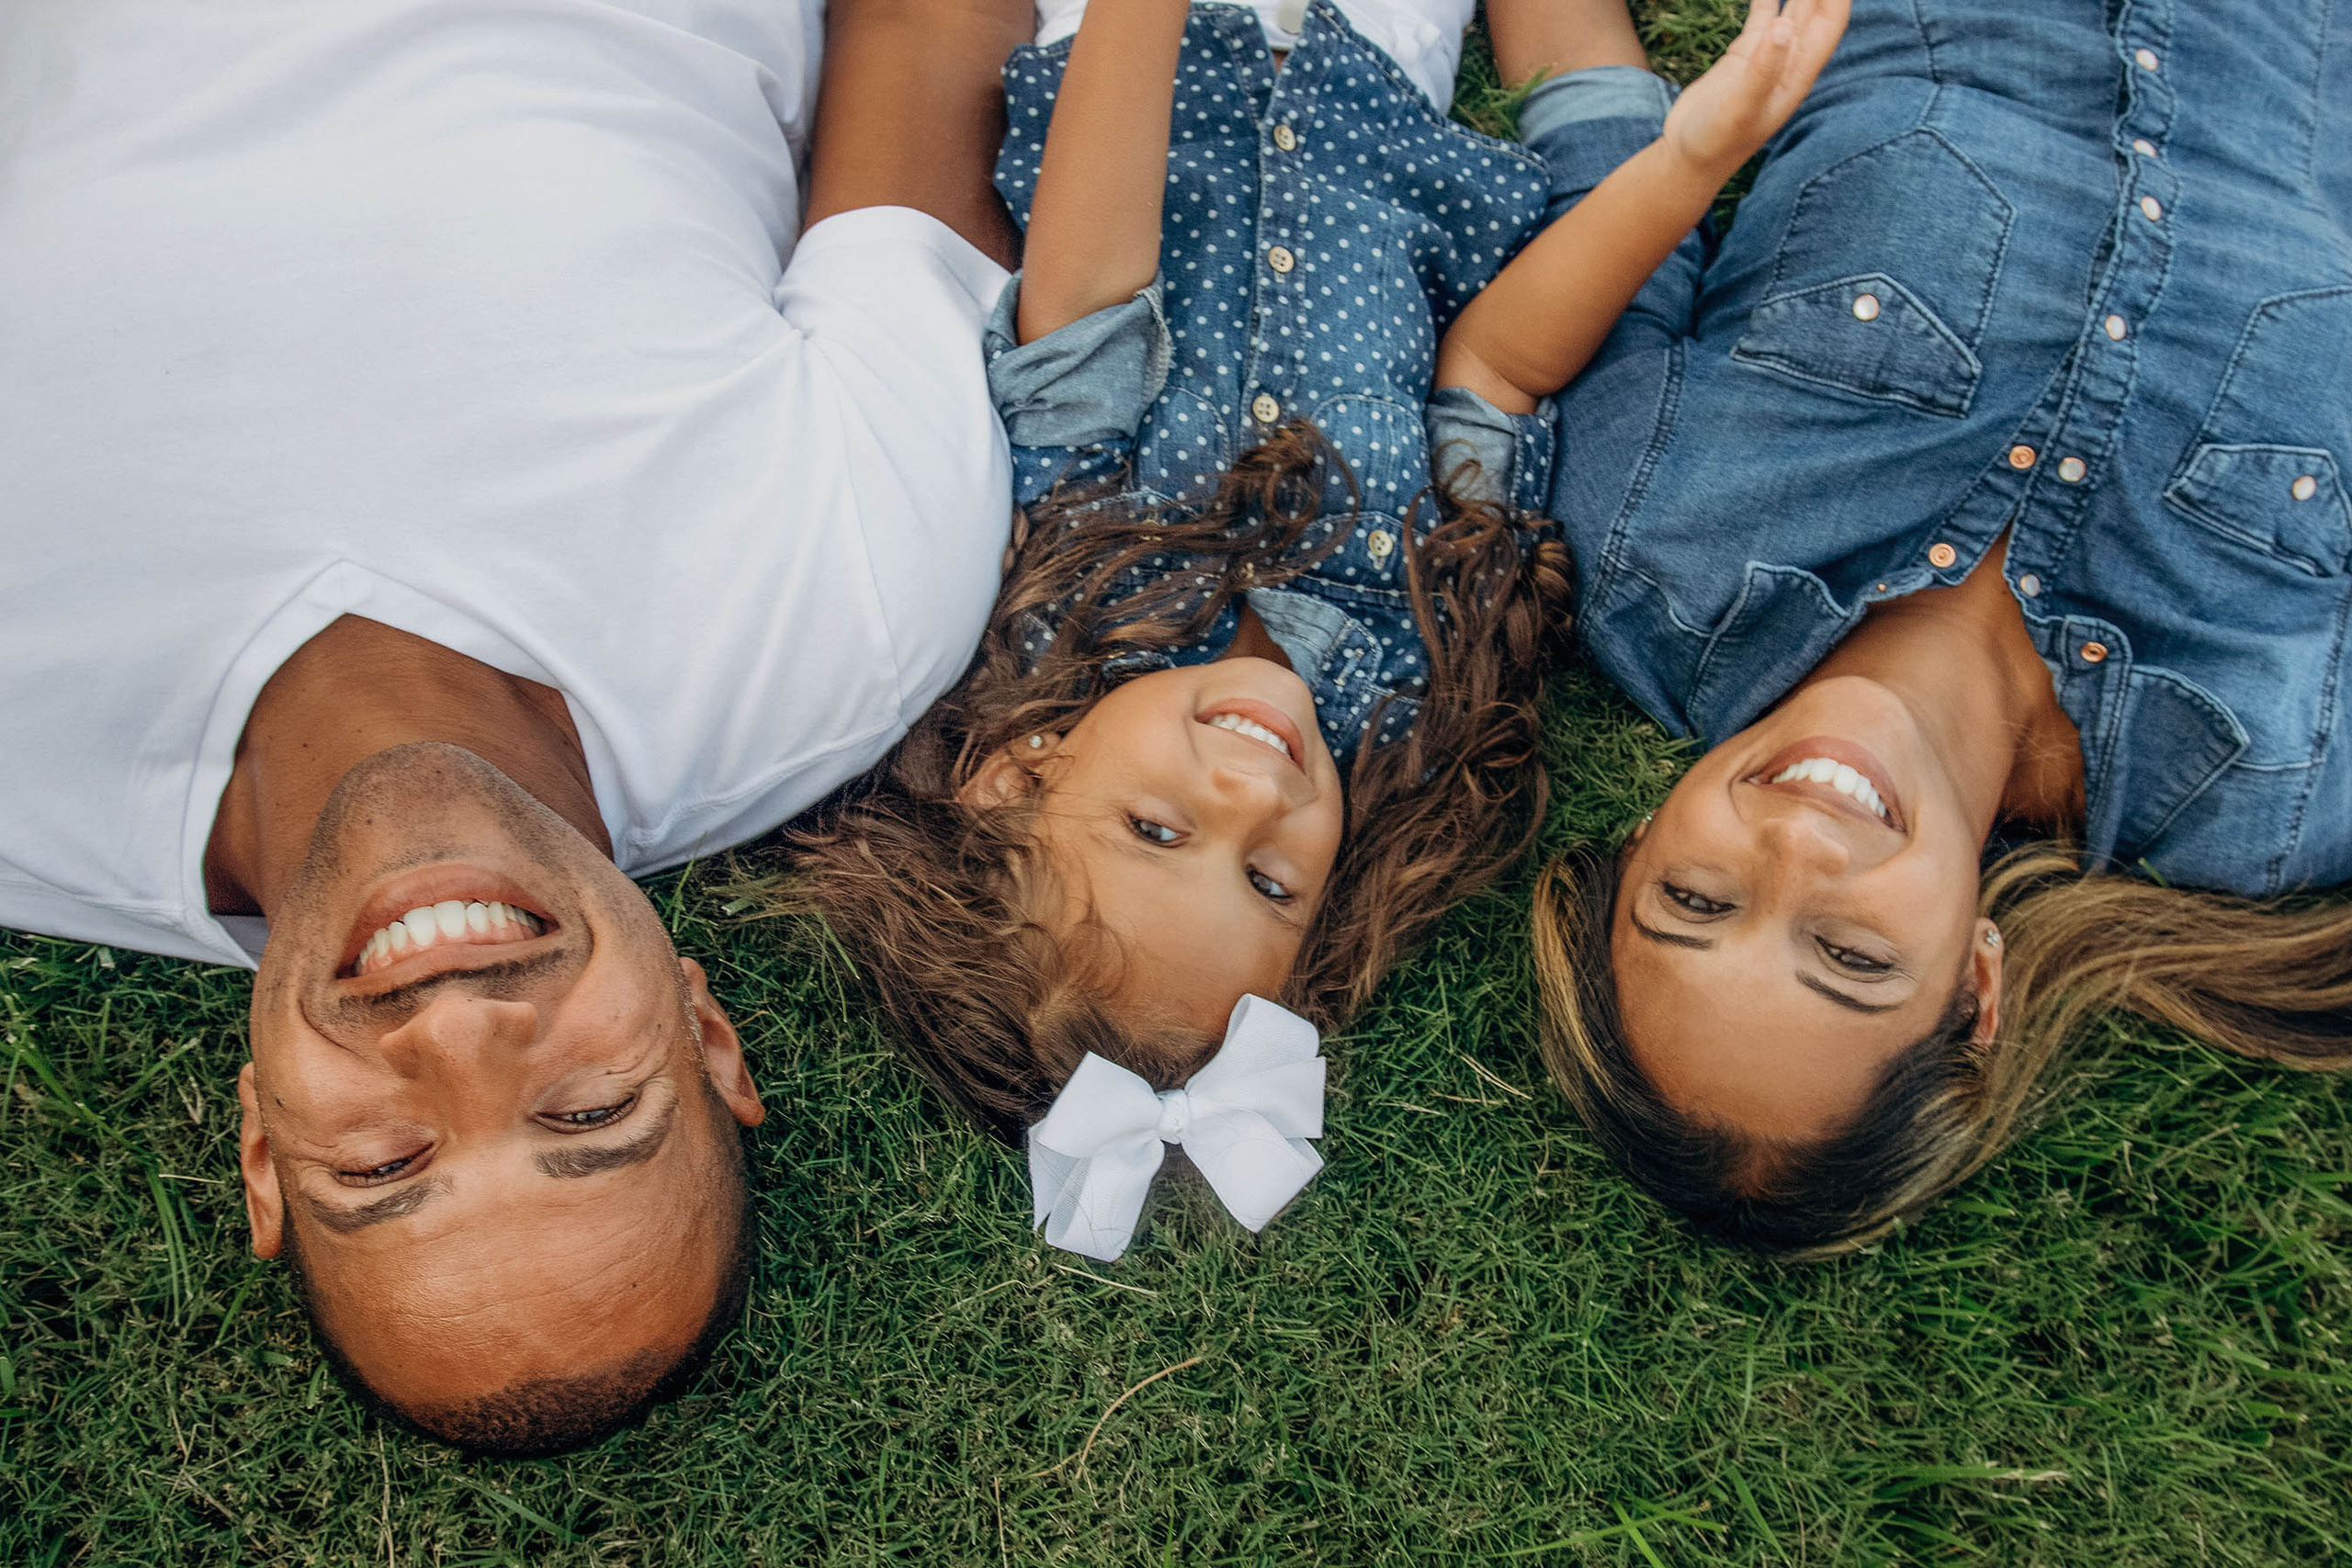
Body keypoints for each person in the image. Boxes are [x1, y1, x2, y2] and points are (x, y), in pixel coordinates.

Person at [0, 0, 1030, 1453]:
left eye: (384, 1158)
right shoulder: (839, 618)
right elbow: (934, 29)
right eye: (589, 1110)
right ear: (706, 1033)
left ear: (261, 1146)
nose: (466, 1029)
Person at [781, 0, 1843, 1162]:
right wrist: (1692, 158)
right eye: (1272, 884)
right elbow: (1492, 370)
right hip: (1381, 60)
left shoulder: (1066, 600)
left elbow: (1087, 296)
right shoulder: (1411, 674)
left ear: (1013, 781)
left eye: (1156, 828)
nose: (1250, 798)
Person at [1519, 0, 2352, 1254]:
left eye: (1695, 896)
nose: (1794, 846)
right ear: (1976, 981)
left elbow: (1596, 113)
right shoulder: (2272, 780)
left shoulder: (1651, 537)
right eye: (1850, 953)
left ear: (1641, 842)